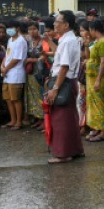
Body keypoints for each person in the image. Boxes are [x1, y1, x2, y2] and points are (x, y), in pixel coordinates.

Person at [44, 10, 85, 164]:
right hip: (67, 81)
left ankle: (64, 153)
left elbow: (64, 66)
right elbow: (60, 59)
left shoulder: (68, 41)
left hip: (64, 81)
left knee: (61, 120)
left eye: (58, 22)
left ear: (66, 25)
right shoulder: (66, 39)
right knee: (70, 118)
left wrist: (55, 88)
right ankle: (75, 149)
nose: (54, 24)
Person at [85, 19, 104, 142]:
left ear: (93, 29)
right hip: (92, 78)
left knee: (101, 105)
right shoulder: (97, 42)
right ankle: (96, 127)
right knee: (93, 104)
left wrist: (98, 80)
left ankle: (103, 131)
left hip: (101, 78)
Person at [24, 22, 49, 130]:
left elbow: (46, 57)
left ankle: (44, 119)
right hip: (31, 72)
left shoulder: (44, 41)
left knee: (41, 95)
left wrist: (31, 60)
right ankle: (38, 118)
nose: (32, 31)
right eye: (30, 29)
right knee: (32, 96)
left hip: (41, 71)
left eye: (34, 29)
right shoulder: (28, 41)